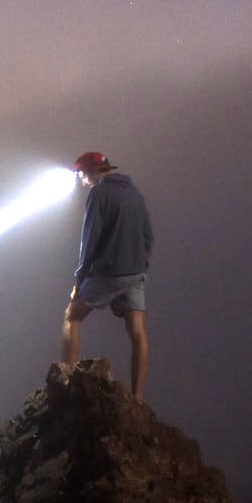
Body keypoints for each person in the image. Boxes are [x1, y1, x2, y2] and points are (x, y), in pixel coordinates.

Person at [58, 150, 152, 403]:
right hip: (136, 271)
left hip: (110, 271)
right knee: (137, 332)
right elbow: (147, 234)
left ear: (89, 172)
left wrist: (79, 280)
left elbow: (89, 241)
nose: (80, 180)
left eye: (80, 174)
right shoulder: (133, 192)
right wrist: (140, 265)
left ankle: (68, 379)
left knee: (72, 316)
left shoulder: (98, 194)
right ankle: (138, 399)